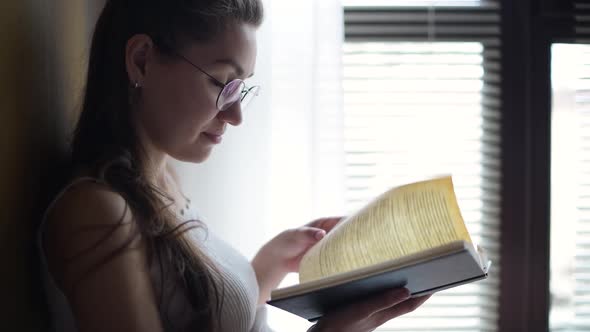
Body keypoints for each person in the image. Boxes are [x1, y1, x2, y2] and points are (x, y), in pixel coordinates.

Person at [36, 0, 431, 331]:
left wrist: (268, 266)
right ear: (141, 61)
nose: (237, 114)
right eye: (222, 83)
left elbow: (195, 316)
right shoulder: (97, 212)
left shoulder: (162, 181)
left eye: (241, 88)